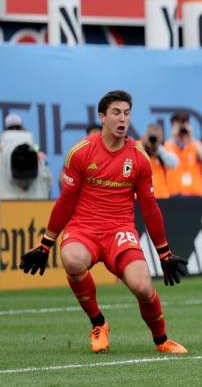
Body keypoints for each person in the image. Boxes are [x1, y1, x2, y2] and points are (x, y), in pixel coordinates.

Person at [19, 90, 189, 354]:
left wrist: (164, 253)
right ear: (102, 117)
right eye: (116, 113)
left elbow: (150, 208)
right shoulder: (81, 152)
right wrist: (45, 245)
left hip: (120, 231)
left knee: (143, 287)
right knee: (72, 259)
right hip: (83, 228)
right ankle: (99, 324)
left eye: (127, 113)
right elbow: (65, 202)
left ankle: (162, 340)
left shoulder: (139, 157)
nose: (123, 119)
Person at [0, 113, 53, 199]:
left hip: (5, 206)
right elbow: (48, 181)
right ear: (21, 126)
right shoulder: (35, 149)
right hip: (35, 204)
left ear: (6, 128)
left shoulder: (1, 150)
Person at [164, 112, 202, 197]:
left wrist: (192, 137)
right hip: (173, 196)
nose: (182, 127)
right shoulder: (168, 145)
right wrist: (173, 136)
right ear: (172, 126)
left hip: (195, 195)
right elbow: (164, 157)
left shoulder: (195, 145)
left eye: (184, 122)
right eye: (178, 123)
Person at [138, 123, 179, 199]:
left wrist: (158, 148)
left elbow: (174, 163)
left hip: (161, 197)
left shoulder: (164, 148)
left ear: (161, 137)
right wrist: (144, 146)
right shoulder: (138, 146)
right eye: (152, 136)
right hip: (141, 198)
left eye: (157, 136)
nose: (154, 139)